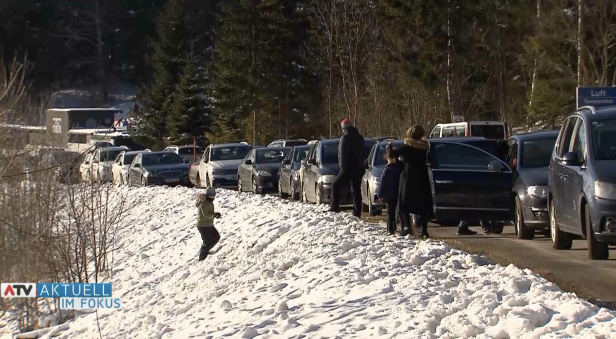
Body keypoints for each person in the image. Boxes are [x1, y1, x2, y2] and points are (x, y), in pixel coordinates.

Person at [388, 125, 433, 238]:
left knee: (403, 203)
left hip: (408, 177)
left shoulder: (407, 147)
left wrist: (389, 146)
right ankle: (424, 230)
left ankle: (407, 227)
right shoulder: (425, 147)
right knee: (423, 204)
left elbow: (392, 155)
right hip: (422, 176)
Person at [330, 119, 364, 218]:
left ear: (343, 128)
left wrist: (343, 168)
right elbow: (362, 154)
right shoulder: (359, 137)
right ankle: (357, 212)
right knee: (356, 190)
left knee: (335, 184)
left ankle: (334, 207)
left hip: (347, 168)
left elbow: (342, 154)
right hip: (358, 168)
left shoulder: (344, 138)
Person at [377, 147, 404, 235]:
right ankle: (401, 226)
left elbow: (382, 183)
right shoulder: (401, 167)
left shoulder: (387, 170)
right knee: (399, 210)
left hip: (389, 194)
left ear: (389, 158)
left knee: (390, 212)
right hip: (399, 192)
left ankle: (390, 229)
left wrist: (380, 194)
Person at [196, 188, 222, 261]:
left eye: (214, 196)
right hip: (203, 225)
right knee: (207, 241)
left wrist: (215, 215)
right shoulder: (204, 203)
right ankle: (202, 257)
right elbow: (206, 215)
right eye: (212, 197)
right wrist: (214, 215)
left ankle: (206, 251)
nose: (213, 198)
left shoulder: (208, 201)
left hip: (208, 224)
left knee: (216, 236)